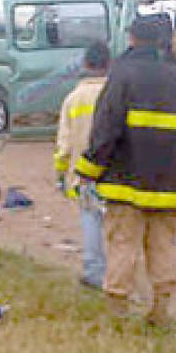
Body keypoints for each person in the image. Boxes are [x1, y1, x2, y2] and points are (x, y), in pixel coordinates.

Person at [75, 14, 176, 325]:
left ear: (131, 39)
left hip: (126, 184)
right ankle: (160, 313)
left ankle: (116, 316)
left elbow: (105, 128)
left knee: (123, 247)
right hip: (170, 185)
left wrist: (88, 169)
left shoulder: (123, 75)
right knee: (163, 248)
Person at [54, 40, 111, 289]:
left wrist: (60, 174)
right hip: (115, 172)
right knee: (120, 228)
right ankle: (122, 274)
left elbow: (64, 144)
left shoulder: (73, 99)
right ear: (109, 64)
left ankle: (94, 272)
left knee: (91, 222)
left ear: (86, 64)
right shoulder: (116, 93)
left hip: (85, 173)